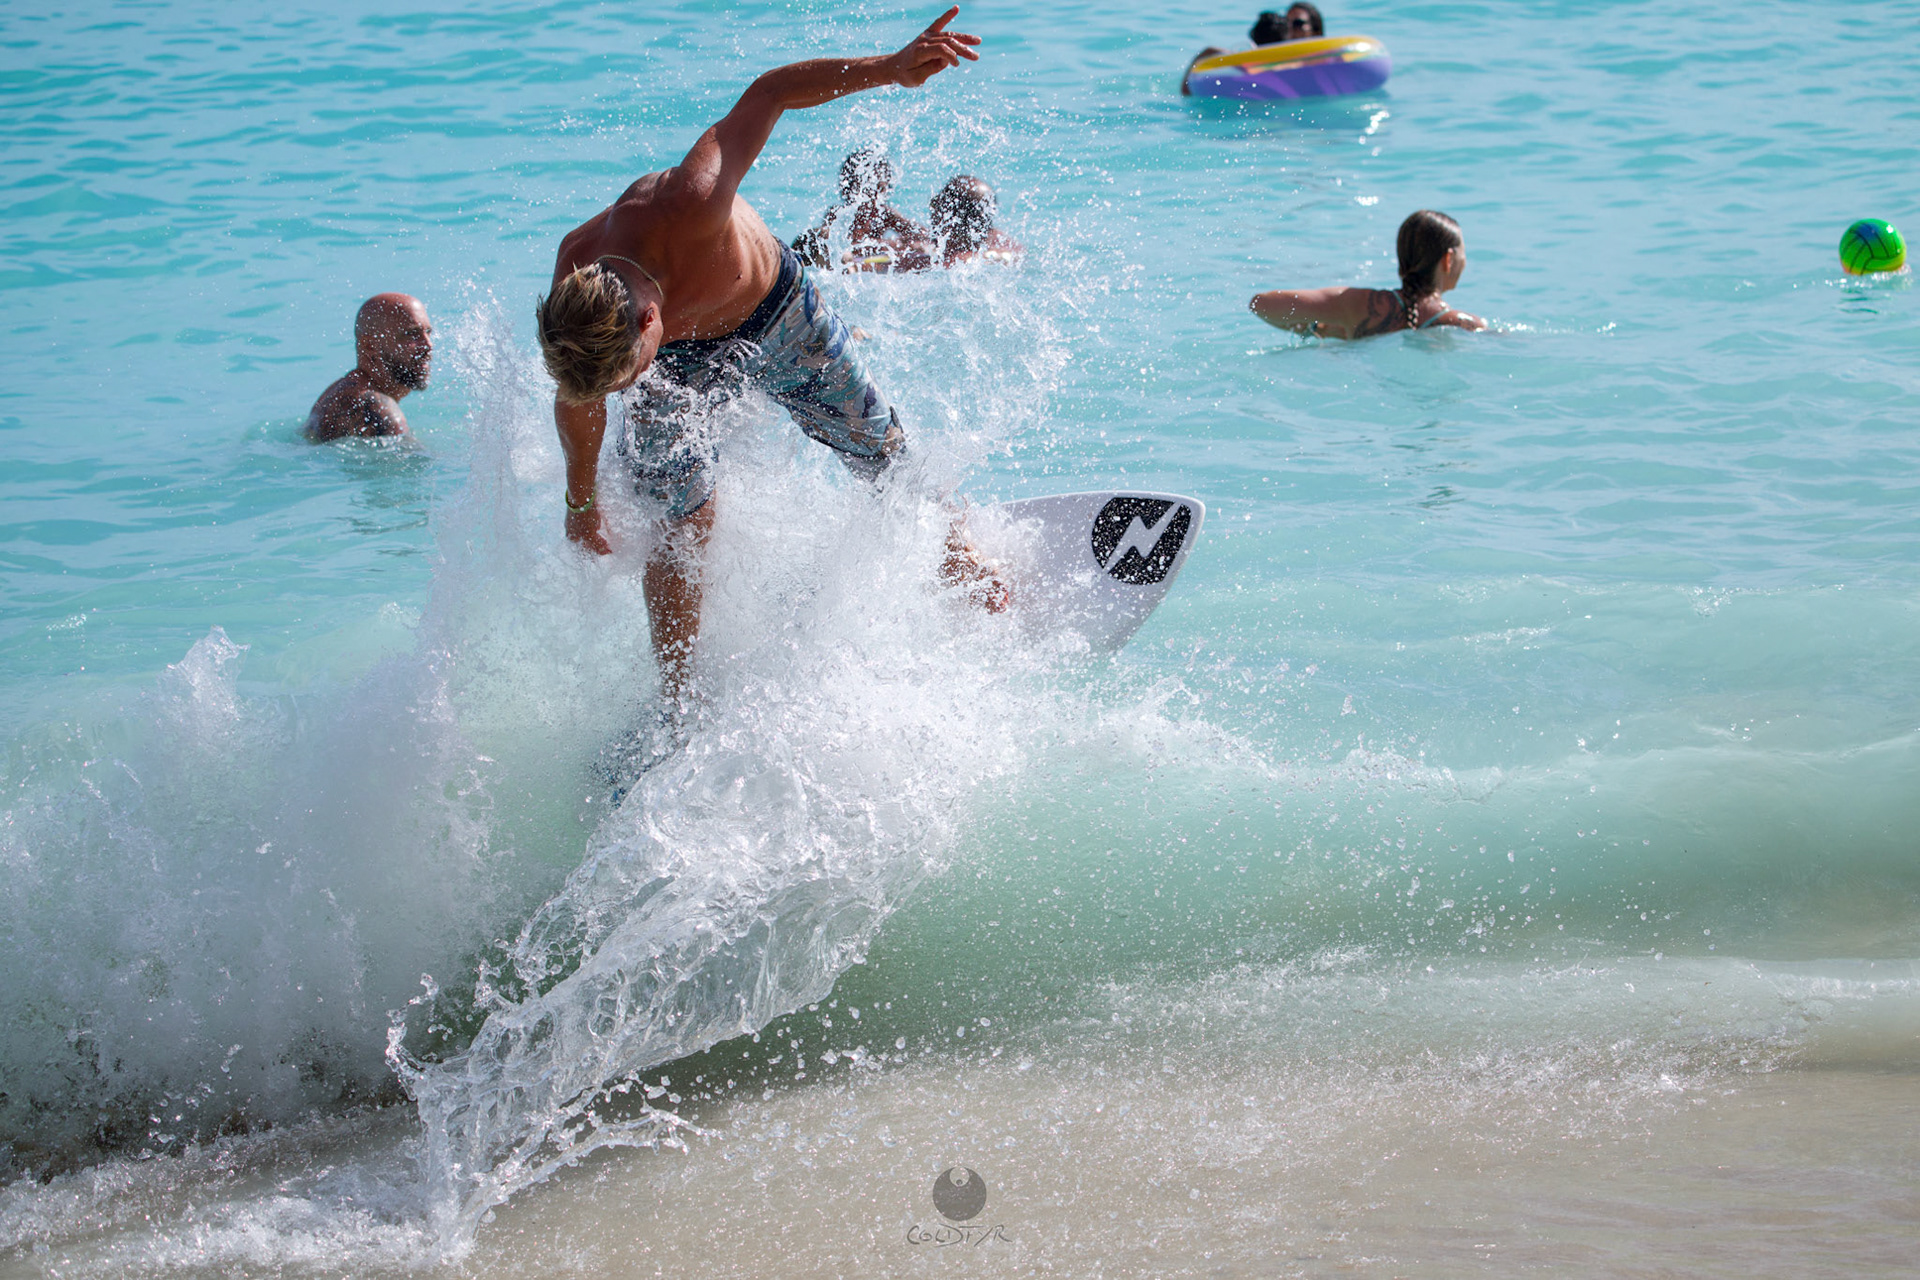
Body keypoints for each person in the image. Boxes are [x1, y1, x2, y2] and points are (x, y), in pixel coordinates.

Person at [534, 8, 984, 708]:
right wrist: (581, 501)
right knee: (675, 515)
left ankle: (966, 569)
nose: (632, 389)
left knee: (880, 452)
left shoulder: (691, 203)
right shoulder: (578, 281)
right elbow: (580, 397)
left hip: (776, 314)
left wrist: (890, 70)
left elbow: (767, 94)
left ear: (652, 319)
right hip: (686, 357)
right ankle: (677, 700)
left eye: (632, 373)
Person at [1248, 209, 1487, 339]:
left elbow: (1261, 304)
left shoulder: (1357, 305)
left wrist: (1318, 328)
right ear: (1448, 260)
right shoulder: (1468, 325)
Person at [304, 293, 432, 441]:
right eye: (411, 334)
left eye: (428, 332)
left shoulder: (338, 391)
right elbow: (414, 463)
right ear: (369, 346)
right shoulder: (376, 407)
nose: (428, 345)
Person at [791, 147, 931, 269]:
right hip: (849, 264)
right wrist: (895, 244)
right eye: (873, 189)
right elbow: (836, 249)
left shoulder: (885, 215)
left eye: (883, 189)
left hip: (868, 264)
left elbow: (925, 235)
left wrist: (914, 243)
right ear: (850, 191)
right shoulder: (839, 215)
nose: (879, 196)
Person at [1182, 5, 1326, 95]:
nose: (1290, 28)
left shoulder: (1330, 58)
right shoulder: (1263, 59)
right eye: (1286, 22)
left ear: (1315, 30)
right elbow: (1210, 51)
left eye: (1297, 23)